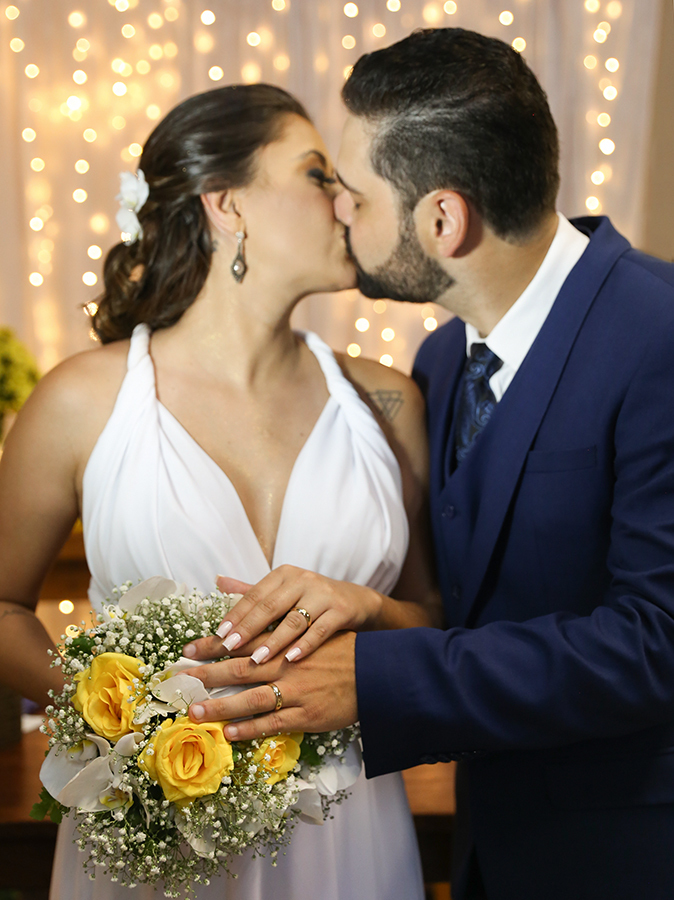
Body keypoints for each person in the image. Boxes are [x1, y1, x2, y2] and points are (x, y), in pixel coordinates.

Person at [182, 29, 674, 900]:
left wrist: (372, 679)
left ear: (443, 220)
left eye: (356, 195)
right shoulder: (443, 366)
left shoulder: (658, 333)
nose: (338, 211)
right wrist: (372, 608)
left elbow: (656, 644)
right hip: (491, 854)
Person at [0, 83, 441, 899]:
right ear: (227, 202)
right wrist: (120, 718)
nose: (347, 201)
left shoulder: (387, 403)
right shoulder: (81, 401)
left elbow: (434, 619)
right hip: (149, 838)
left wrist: (366, 607)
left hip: (348, 834)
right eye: (317, 174)